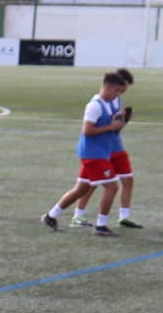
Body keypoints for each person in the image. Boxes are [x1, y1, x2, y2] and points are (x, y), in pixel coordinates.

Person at [41, 72, 131, 236]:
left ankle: (50, 216)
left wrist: (120, 121)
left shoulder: (107, 104)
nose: (118, 94)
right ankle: (101, 226)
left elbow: (109, 127)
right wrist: (111, 127)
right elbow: (87, 130)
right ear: (107, 87)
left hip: (99, 153)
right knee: (112, 187)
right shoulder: (95, 105)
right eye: (116, 91)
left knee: (81, 189)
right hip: (93, 154)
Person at [74, 67, 142, 228]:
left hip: (114, 145)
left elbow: (116, 127)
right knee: (92, 182)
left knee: (128, 179)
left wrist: (125, 121)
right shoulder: (100, 102)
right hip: (102, 149)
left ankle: (124, 217)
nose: (123, 91)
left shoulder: (116, 98)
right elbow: (96, 127)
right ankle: (79, 215)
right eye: (122, 87)